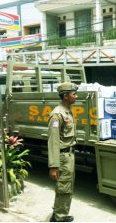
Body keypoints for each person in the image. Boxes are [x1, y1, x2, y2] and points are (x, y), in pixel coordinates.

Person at [48, 82, 78, 222]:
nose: (76, 97)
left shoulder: (67, 110)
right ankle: (59, 218)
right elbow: (53, 141)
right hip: (62, 156)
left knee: (66, 186)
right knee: (64, 187)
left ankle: (59, 213)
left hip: (69, 154)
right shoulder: (57, 115)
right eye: (74, 94)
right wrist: (54, 166)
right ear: (65, 96)